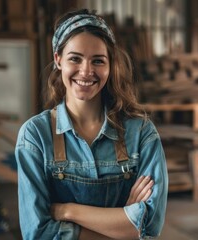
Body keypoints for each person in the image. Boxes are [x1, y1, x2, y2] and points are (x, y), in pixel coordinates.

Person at [15, 8, 168, 240]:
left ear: (110, 65)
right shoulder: (35, 136)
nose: (86, 71)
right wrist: (122, 223)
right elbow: (37, 234)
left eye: (98, 60)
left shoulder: (141, 133)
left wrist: (68, 211)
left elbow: (149, 227)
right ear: (58, 60)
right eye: (75, 58)